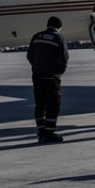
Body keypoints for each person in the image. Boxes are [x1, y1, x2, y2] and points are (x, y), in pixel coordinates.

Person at [27, 16, 69, 144]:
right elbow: (64, 58)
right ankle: (50, 133)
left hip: (37, 75)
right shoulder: (58, 37)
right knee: (53, 104)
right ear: (59, 27)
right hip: (51, 77)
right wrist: (58, 73)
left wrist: (37, 67)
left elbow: (30, 56)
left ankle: (41, 132)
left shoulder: (37, 36)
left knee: (40, 104)